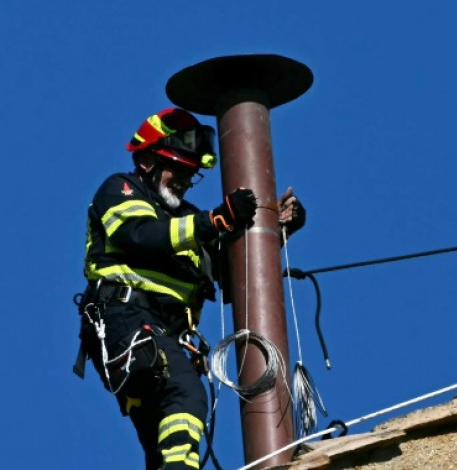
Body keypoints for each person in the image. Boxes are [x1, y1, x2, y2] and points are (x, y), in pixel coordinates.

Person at [73, 107, 306, 469]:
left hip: (162, 333)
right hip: (127, 317)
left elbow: (236, 276)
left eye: (190, 172)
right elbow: (139, 235)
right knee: (184, 394)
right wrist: (213, 221)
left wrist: (277, 228)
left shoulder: (189, 218)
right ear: (148, 160)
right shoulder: (121, 189)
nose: (184, 178)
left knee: (163, 437)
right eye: (177, 168)